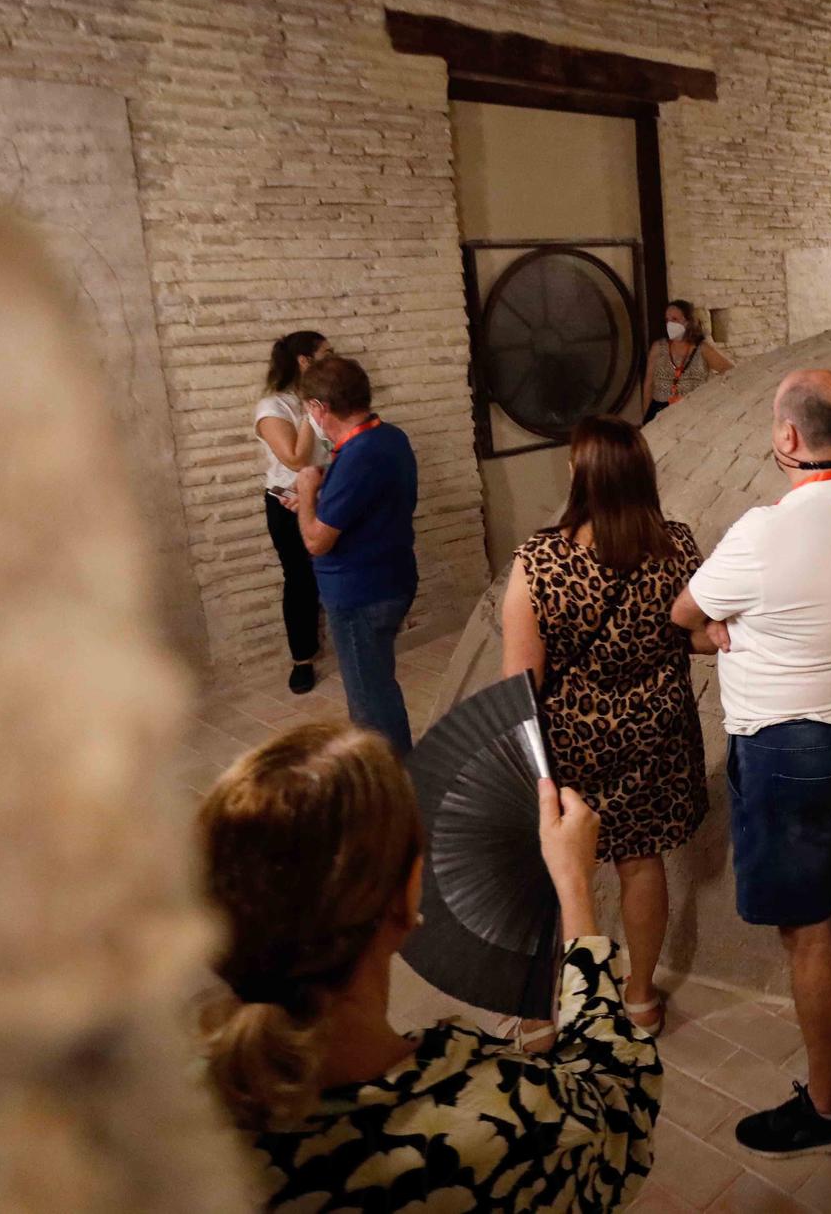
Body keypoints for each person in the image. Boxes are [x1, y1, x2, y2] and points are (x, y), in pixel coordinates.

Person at [195, 720, 661, 1211]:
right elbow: (618, 1106)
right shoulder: (505, 1125)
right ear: (401, 899)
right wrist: (573, 885)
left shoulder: (155, 1116)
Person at [670, 369, 831, 1158]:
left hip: (791, 753)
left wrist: (715, 635)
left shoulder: (763, 532)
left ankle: (829, 1109)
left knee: (808, 933)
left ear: (787, 437)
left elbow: (686, 615)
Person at [500, 416, 716, 1037]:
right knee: (641, 863)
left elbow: (520, 684)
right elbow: (694, 635)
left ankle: (549, 1012)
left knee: (560, 874)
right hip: (657, 735)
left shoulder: (539, 561)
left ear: (580, 476)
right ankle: (641, 1000)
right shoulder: (675, 546)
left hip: (571, 746)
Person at [293, 356, 419, 753]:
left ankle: (393, 790)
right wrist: (323, 495)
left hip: (361, 594)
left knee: (371, 706)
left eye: (308, 409)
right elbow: (365, 503)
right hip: (390, 578)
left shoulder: (360, 455)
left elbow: (315, 541)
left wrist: (307, 492)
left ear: (319, 408)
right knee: (378, 685)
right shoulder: (389, 436)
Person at [254, 331, 334, 694]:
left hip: (328, 493)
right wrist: (310, 413)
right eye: (325, 354)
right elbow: (295, 458)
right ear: (304, 361)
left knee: (337, 567)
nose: (332, 359)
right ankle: (302, 659)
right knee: (300, 580)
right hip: (287, 502)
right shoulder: (274, 407)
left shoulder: (325, 399)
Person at [642, 299, 734, 423]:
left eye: (675, 319)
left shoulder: (703, 349)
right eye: (667, 320)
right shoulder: (658, 348)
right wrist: (646, 419)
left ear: (688, 322)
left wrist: (712, 398)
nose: (670, 324)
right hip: (660, 411)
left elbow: (730, 371)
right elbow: (648, 385)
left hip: (692, 412)